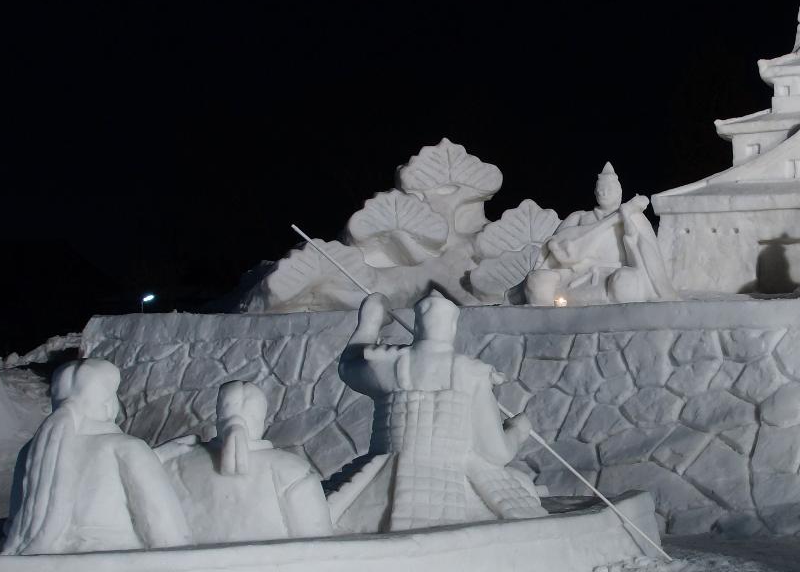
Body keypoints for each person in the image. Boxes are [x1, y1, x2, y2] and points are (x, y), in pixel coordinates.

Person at [329, 291, 545, 531]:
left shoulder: (390, 364)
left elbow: (349, 366)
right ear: (452, 326)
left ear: (418, 324)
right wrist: (516, 431)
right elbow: (496, 453)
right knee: (522, 487)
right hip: (453, 474)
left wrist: (370, 320)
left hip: (385, 472)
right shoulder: (470, 373)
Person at [1, 357, 193, 555]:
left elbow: (14, 525)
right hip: (116, 566)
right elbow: (166, 533)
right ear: (108, 403)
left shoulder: (32, 451)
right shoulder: (127, 448)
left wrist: (157, 458)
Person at [156, 381, 333, 544]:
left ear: (218, 415)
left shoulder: (173, 461)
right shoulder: (293, 471)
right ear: (260, 420)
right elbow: (319, 546)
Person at [524, 163, 678, 306]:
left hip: (611, 277)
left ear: (619, 191)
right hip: (575, 279)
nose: (602, 193)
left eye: (608, 189)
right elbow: (556, 248)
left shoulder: (632, 216)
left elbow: (644, 249)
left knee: (626, 284)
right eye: (599, 189)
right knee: (538, 283)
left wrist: (626, 220)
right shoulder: (579, 217)